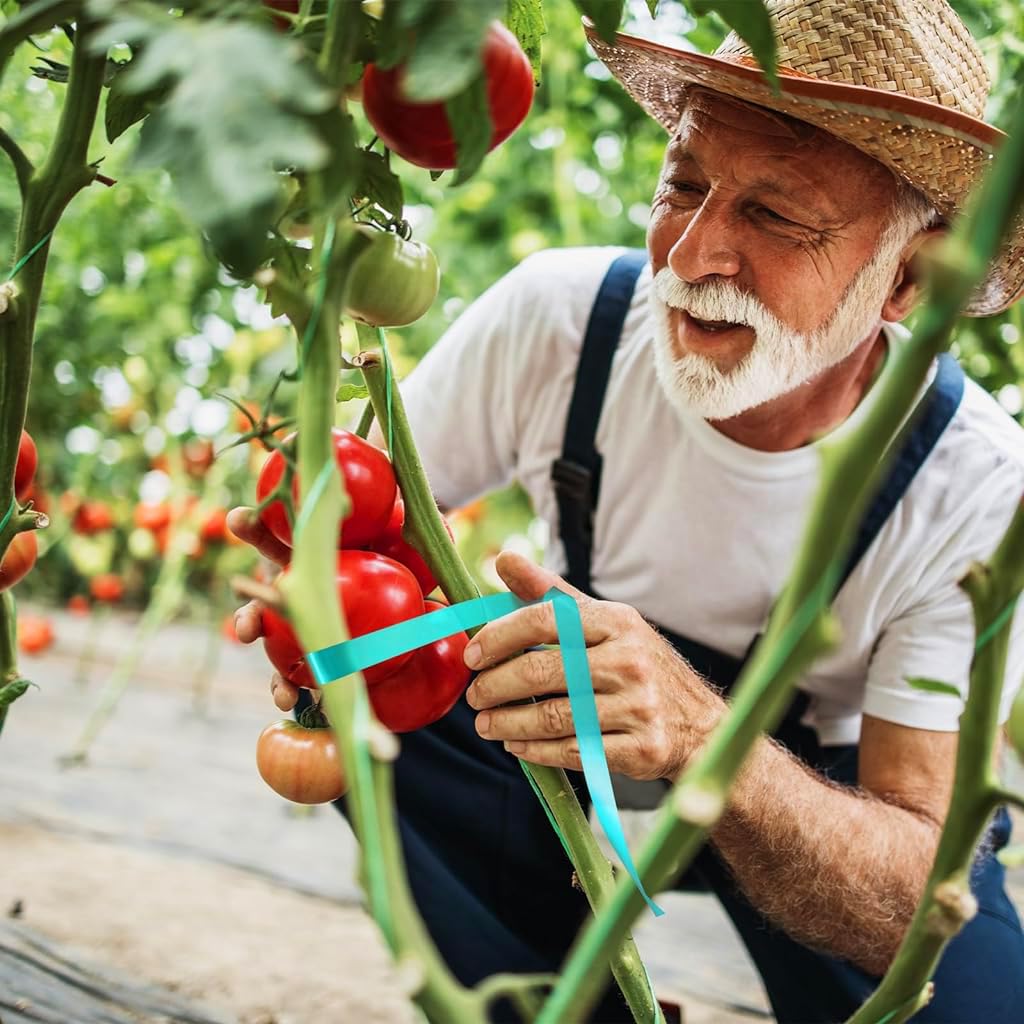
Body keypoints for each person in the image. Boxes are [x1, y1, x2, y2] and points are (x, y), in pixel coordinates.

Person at [230, 0, 1024, 1020]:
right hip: (559, 745)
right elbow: (365, 526)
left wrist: (704, 739)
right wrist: (311, 599)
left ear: (906, 277)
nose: (691, 255)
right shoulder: (559, 323)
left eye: (775, 217)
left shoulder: (975, 484)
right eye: (683, 185)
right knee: (383, 692)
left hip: (807, 803)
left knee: (967, 997)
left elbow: (913, 883)